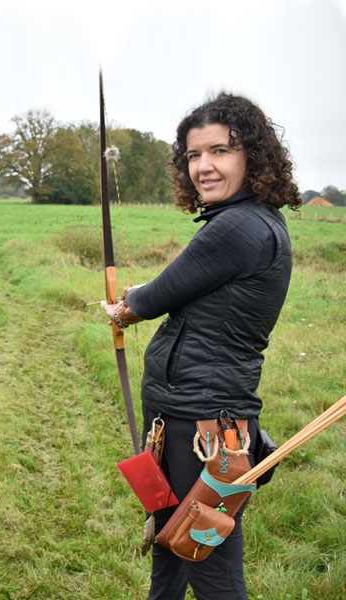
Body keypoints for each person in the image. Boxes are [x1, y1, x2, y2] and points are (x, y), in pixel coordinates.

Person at [102, 93, 301, 599]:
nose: (203, 167)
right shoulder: (248, 220)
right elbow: (188, 288)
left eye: (219, 151)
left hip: (204, 426)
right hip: (186, 415)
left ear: (251, 156)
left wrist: (125, 306)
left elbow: (162, 293)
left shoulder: (240, 226)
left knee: (209, 566)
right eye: (194, 155)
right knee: (169, 544)